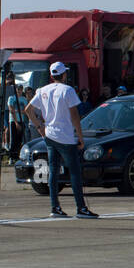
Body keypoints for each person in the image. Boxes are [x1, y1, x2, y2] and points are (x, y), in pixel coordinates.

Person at [25, 62, 99, 218]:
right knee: (75, 172)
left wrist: (40, 127)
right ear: (64, 75)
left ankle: (55, 207)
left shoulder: (42, 90)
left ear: (52, 76)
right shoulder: (68, 90)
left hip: (50, 135)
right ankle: (81, 208)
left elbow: (28, 110)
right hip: (65, 136)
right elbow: (74, 115)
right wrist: (80, 136)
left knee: (53, 171)